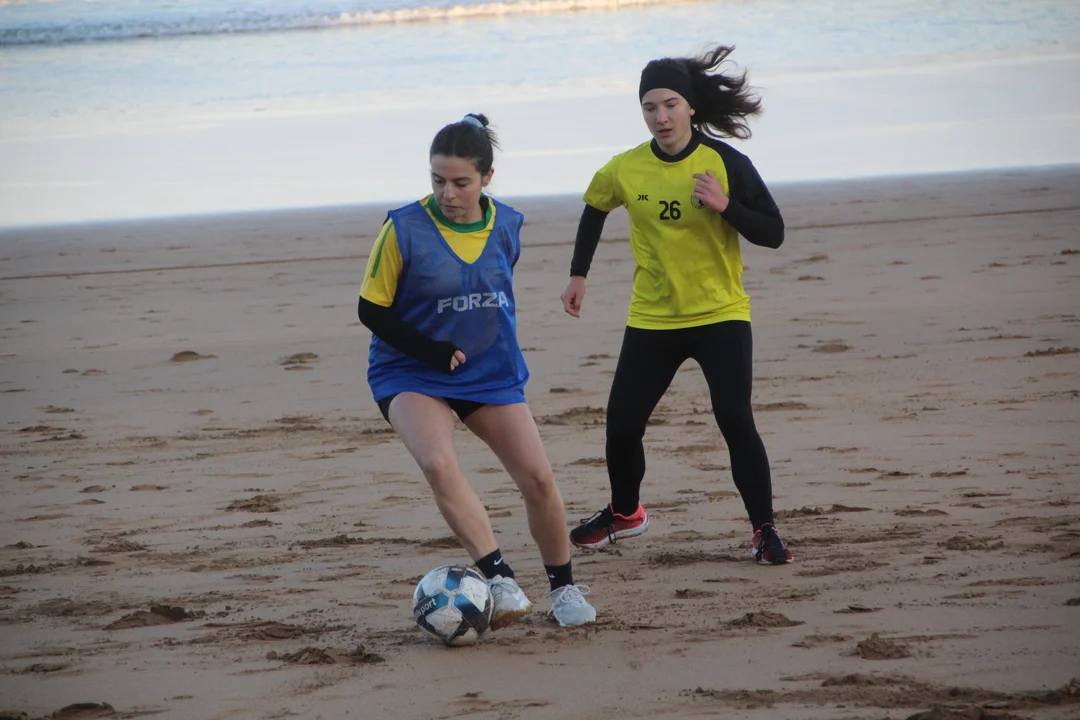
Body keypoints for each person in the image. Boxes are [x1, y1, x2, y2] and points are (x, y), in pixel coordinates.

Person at [357, 113, 597, 629]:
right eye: (437, 180)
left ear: (487, 177)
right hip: (410, 369)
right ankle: (499, 578)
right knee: (438, 463)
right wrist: (431, 350)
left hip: (489, 371)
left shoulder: (507, 225)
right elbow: (371, 310)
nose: (448, 193)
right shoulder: (402, 228)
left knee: (538, 478)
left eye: (461, 182)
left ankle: (564, 589)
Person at [560, 45, 794, 565]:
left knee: (734, 419)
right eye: (649, 107)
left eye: (669, 105)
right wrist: (579, 274)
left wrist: (725, 206)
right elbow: (594, 208)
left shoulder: (725, 163)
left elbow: (773, 232)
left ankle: (764, 530)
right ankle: (626, 513)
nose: (660, 117)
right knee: (622, 425)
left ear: (689, 106)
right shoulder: (626, 168)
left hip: (720, 314)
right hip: (654, 318)